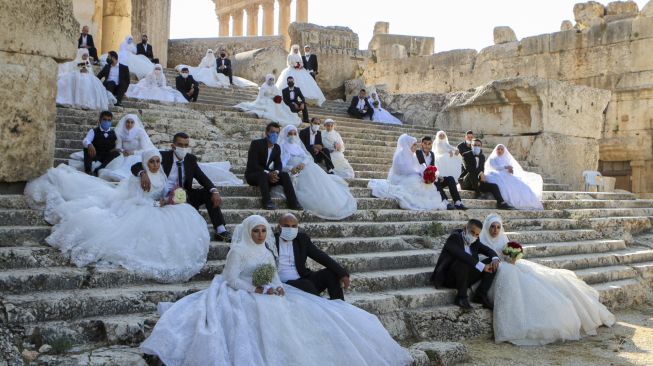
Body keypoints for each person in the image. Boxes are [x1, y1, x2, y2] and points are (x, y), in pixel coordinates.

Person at [140, 214, 413, 366]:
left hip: (275, 288)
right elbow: (231, 279)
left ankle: (335, 306)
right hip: (243, 292)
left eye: (262, 231)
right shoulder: (238, 250)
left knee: (303, 303)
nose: (260, 235)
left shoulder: (269, 247)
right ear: (249, 231)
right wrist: (256, 289)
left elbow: (274, 273)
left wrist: (276, 288)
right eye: (256, 231)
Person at [24, 149, 210, 283]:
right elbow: (138, 199)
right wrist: (156, 203)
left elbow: (162, 192)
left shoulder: (161, 175)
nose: (155, 164)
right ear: (146, 163)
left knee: (183, 216)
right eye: (152, 161)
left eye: (157, 161)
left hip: (158, 207)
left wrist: (170, 199)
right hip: (139, 208)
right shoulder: (140, 176)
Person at [479, 214, 615, 345]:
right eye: (492, 227)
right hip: (494, 271)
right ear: (487, 228)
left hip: (509, 267)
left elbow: (508, 255)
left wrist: (513, 258)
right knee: (511, 276)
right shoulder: (481, 240)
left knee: (540, 281)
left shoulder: (503, 239)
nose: (495, 230)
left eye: (498, 227)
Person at [131, 132, 232, 242]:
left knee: (209, 193)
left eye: (186, 145)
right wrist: (142, 173)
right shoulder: (162, 157)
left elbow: (202, 178)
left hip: (184, 196)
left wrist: (214, 191)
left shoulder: (190, 160)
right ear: (173, 146)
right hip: (164, 196)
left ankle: (220, 229)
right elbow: (136, 166)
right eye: (180, 145)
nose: (183, 148)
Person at [278, 125, 357, 220]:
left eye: (295, 134)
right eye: (290, 134)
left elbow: (306, 157)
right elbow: (281, 164)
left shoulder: (297, 146)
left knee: (319, 180)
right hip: (295, 171)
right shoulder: (282, 147)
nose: (293, 136)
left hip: (306, 166)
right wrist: (291, 168)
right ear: (286, 134)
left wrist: (303, 163)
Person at [275, 213, 350, 300]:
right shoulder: (272, 241)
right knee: (306, 284)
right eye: (286, 226)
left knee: (330, 274)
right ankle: (323, 307)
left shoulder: (302, 239)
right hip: (285, 284)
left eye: (294, 226)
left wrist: (342, 273)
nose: (290, 229)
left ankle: (340, 305)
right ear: (279, 227)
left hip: (303, 278)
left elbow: (320, 256)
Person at [430, 219, 500, 310]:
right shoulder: (454, 238)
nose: (474, 236)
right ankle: (461, 297)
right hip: (450, 278)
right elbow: (461, 255)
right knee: (463, 261)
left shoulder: (475, 241)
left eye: (477, 234)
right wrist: (482, 266)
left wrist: (495, 259)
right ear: (465, 228)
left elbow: (488, 250)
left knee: (491, 261)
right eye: (472, 232)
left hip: (465, 277)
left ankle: (480, 295)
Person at [368, 134, 447, 211]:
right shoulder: (399, 156)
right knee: (415, 180)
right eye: (414, 145)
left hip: (410, 176)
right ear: (408, 145)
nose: (416, 146)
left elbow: (418, 167)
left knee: (420, 180)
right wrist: (417, 173)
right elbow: (401, 171)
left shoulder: (413, 155)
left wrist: (424, 173)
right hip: (400, 178)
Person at [244, 122, 302, 210]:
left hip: (268, 175)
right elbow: (253, 164)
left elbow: (278, 164)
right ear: (267, 133)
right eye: (272, 132)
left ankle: (293, 203)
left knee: (285, 175)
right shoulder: (256, 144)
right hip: (253, 175)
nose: (275, 134)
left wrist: (276, 172)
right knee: (263, 174)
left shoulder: (277, 147)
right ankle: (267, 202)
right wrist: (268, 173)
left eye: (277, 133)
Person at [484, 144, 544, 210]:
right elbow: (495, 167)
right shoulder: (492, 158)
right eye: (498, 149)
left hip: (506, 175)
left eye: (501, 149)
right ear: (496, 150)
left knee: (521, 185)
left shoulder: (506, 159)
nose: (500, 151)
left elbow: (509, 169)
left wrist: (510, 170)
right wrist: (505, 167)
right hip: (496, 174)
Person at [459, 139, 514, 210]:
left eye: (478, 145)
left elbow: (482, 169)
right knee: (471, 173)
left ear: (481, 147)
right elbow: (469, 168)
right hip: (467, 182)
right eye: (475, 145)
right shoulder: (465, 155)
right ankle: (478, 193)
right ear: (471, 146)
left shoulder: (482, 156)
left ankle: (501, 203)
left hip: (477, 182)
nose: (477, 147)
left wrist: (480, 179)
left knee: (494, 186)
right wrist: (480, 173)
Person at [98, 114, 154, 181]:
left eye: (132, 122)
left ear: (135, 123)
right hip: (124, 155)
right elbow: (118, 147)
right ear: (125, 122)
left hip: (137, 155)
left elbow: (145, 149)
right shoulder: (120, 132)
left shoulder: (140, 132)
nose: (129, 124)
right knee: (116, 163)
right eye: (127, 122)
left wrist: (133, 152)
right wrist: (122, 151)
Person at [415, 136, 466, 210]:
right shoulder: (418, 153)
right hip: (423, 180)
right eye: (425, 144)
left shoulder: (432, 154)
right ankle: (445, 201)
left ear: (431, 145)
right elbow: (420, 168)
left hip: (432, 178)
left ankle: (457, 202)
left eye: (429, 144)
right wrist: (435, 176)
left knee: (450, 179)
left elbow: (433, 168)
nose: (427, 146)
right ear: (421, 144)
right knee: (435, 181)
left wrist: (439, 175)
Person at [235, 74, 301, 127]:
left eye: (272, 79)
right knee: (270, 105)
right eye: (270, 79)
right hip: (266, 100)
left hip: (274, 100)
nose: (271, 81)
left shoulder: (274, 87)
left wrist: (277, 98)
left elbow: (277, 94)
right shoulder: (264, 86)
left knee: (281, 106)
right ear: (267, 79)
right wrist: (269, 98)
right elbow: (261, 96)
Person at [176, 49, 256, 88]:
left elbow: (215, 66)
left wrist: (213, 67)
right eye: (209, 52)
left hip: (212, 70)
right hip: (204, 69)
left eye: (211, 52)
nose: (210, 53)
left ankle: (230, 81)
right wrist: (205, 66)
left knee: (212, 73)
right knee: (203, 71)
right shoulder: (204, 59)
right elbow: (201, 65)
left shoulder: (215, 59)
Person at [82, 111, 120, 176]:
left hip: (107, 156)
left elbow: (119, 145)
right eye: (104, 119)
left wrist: (115, 149)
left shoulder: (114, 133)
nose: (106, 122)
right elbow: (86, 140)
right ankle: (88, 171)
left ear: (111, 121)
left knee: (116, 153)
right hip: (95, 155)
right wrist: (89, 144)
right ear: (100, 120)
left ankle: (98, 169)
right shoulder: (93, 131)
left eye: (109, 120)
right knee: (86, 148)